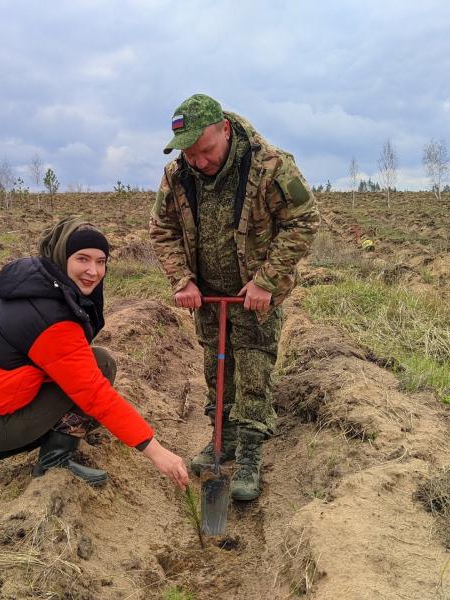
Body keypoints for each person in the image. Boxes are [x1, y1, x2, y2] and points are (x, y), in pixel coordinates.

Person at [149, 94, 319, 501]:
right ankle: (220, 437)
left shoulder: (270, 166)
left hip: (255, 295)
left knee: (254, 367)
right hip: (207, 296)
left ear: (225, 129)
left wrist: (267, 280)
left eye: (205, 150)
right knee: (216, 365)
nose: (199, 161)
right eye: (190, 153)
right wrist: (182, 280)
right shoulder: (177, 175)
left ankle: (249, 453)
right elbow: (163, 229)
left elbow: (304, 220)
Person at [0, 216, 188, 490]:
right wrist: (158, 453)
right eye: (83, 259)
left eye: (101, 262)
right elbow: (95, 395)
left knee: (94, 366)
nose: (93, 271)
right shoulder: (50, 318)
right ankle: (53, 462)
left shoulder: (36, 282)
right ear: (62, 256)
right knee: (100, 369)